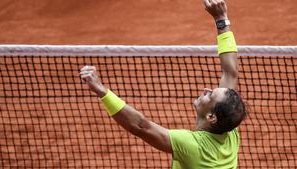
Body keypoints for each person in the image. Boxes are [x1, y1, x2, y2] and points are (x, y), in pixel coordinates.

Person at [79, 0, 247, 168]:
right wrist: (221, 19)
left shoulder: (192, 146)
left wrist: (102, 91)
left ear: (211, 117)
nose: (206, 90)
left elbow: (141, 126)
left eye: (210, 95)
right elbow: (230, 72)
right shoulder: (230, 126)